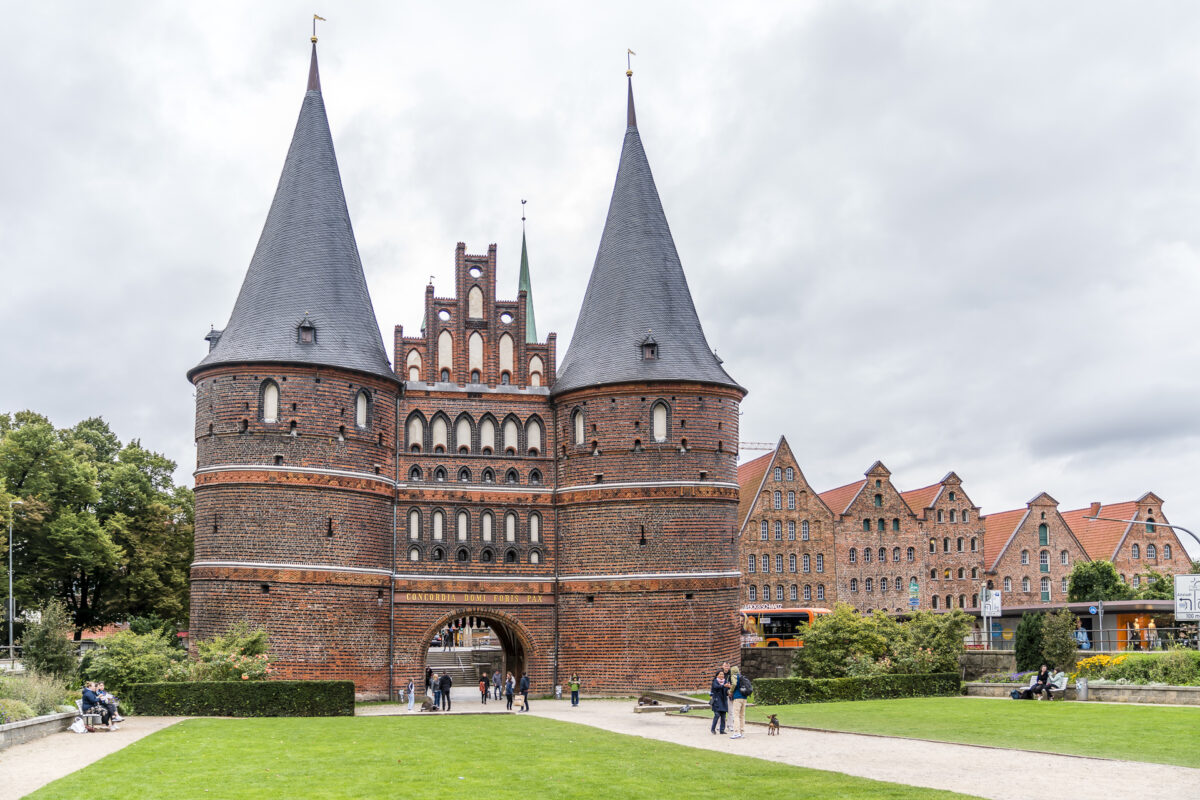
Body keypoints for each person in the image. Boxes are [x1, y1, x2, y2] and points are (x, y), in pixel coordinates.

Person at [728, 666, 750, 739]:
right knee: (742, 715)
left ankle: (736, 732)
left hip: (737, 697)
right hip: (744, 698)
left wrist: (731, 691)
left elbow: (734, 684)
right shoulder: (742, 677)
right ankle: (742, 732)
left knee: (736, 715)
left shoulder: (734, 676)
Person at [709, 670, 729, 735]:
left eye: (723, 674)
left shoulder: (725, 682)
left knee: (723, 716)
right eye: (720, 674)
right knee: (717, 715)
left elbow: (726, 692)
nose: (722, 676)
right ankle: (713, 729)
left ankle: (722, 730)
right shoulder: (715, 681)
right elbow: (716, 687)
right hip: (716, 700)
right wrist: (724, 686)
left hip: (723, 700)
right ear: (717, 675)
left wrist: (729, 690)